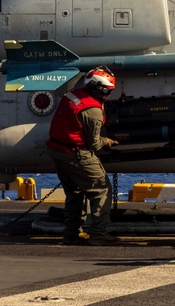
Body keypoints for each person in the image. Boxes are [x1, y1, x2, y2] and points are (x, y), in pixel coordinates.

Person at [46, 67, 121, 246]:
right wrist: (108, 141)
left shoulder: (73, 94)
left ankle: (71, 233)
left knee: (75, 192)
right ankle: (98, 234)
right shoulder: (93, 110)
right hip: (76, 154)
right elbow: (94, 144)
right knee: (101, 190)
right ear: (100, 89)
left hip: (58, 151)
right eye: (108, 91)